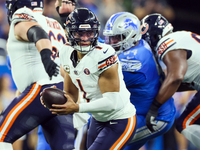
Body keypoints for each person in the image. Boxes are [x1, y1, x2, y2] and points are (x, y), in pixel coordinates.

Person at [41, 7, 137, 150]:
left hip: (120, 119)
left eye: (89, 33)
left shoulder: (104, 54)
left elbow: (112, 102)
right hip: (97, 119)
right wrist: (57, 102)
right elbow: (71, 96)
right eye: (80, 33)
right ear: (70, 33)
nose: (85, 38)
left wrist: (78, 107)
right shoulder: (66, 52)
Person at [0, 0, 75, 150]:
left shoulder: (23, 15)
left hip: (42, 89)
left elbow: (37, 32)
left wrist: (46, 56)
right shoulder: (55, 24)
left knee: (1, 137)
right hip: (62, 92)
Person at [103, 12, 176, 150]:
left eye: (116, 38)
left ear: (131, 36)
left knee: (104, 139)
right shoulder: (138, 44)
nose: (111, 43)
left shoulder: (133, 60)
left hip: (157, 117)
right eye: (110, 38)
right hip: (141, 111)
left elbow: (99, 86)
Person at [141, 13, 200, 149]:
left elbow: (176, 77)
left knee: (186, 124)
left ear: (153, 35)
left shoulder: (167, 43)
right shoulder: (181, 38)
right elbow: (180, 82)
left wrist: (154, 107)